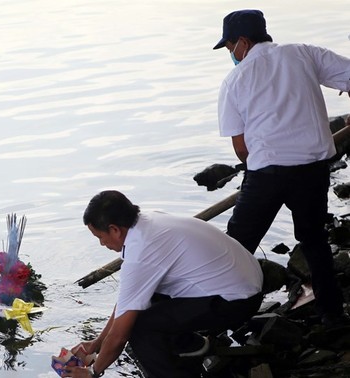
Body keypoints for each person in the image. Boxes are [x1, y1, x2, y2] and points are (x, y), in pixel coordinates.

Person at [213, 9, 350, 326]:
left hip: (267, 175)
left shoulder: (235, 80)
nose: (231, 54)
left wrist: (256, 174)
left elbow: (241, 147)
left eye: (230, 46)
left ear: (243, 42)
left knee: (237, 246)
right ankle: (332, 314)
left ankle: (220, 319)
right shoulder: (303, 53)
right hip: (313, 168)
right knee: (314, 239)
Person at [63, 190, 263, 378]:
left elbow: (120, 336)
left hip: (237, 301)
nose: (101, 244)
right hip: (247, 282)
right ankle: (190, 345)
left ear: (114, 230)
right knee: (141, 305)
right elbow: (127, 302)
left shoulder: (141, 252)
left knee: (139, 328)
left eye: (100, 237)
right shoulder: (148, 221)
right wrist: (97, 344)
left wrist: (93, 372)